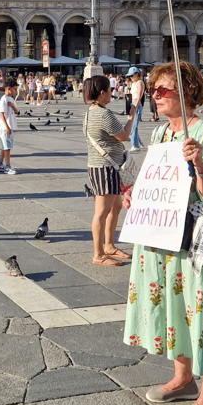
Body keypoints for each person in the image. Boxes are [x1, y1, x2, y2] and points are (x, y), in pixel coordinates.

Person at [123, 60, 203, 405]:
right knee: (173, 305)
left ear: (187, 94)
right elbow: (154, 179)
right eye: (153, 90)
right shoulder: (159, 134)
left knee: (202, 309)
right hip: (161, 234)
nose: (155, 95)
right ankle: (183, 378)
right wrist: (136, 194)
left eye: (163, 90)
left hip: (195, 238)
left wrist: (199, 164)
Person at [83, 75, 135, 266]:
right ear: (102, 92)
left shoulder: (90, 112)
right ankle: (98, 254)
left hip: (102, 166)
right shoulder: (104, 114)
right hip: (105, 168)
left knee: (116, 206)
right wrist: (132, 117)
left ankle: (109, 245)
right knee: (102, 212)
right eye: (109, 90)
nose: (111, 94)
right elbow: (124, 136)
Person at [0, 79, 19, 174]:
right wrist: (6, 127)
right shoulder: (3, 99)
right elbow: (1, 114)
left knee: (5, 146)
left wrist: (12, 106)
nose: (15, 91)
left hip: (10, 126)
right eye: (14, 89)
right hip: (5, 127)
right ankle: (7, 167)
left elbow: (17, 112)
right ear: (9, 88)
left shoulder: (11, 99)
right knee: (7, 147)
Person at [127, 66, 145, 150]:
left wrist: (134, 107)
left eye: (132, 75)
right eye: (129, 76)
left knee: (133, 126)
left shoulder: (139, 82)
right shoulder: (134, 83)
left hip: (136, 105)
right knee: (134, 125)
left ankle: (135, 145)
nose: (130, 77)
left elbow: (138, 96)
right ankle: (139, 143)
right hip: (133, 104)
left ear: (137, 74)